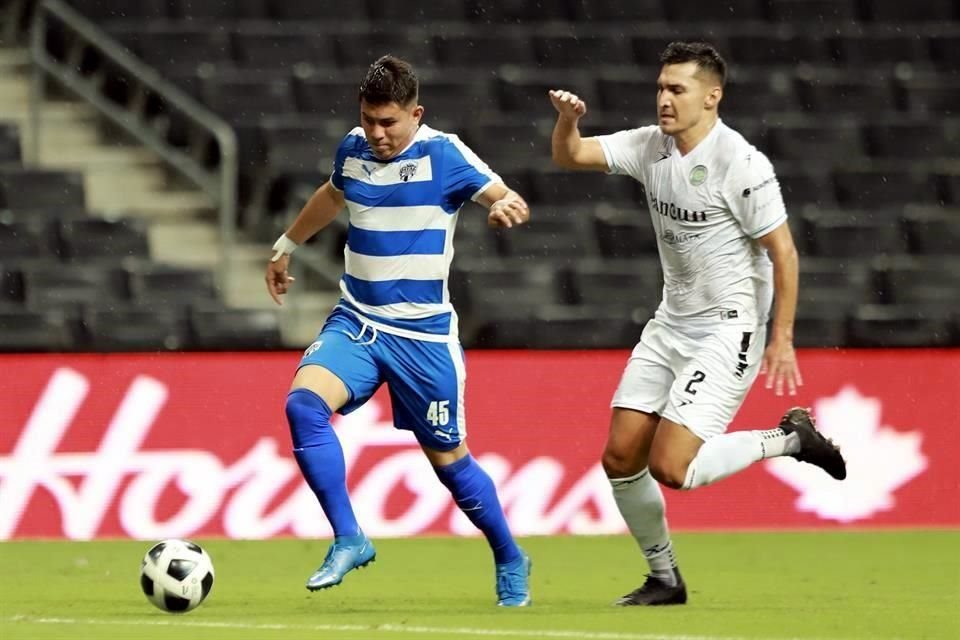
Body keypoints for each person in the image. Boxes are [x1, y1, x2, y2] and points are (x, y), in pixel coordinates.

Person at [548, 41, 846, 606]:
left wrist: (779, 337)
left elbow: (784, 252)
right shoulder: (649, 146)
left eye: (676, 89)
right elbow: (571, 157)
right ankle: (664, 578)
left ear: (712, 97)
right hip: (671, 324)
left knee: (671, 467)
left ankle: (789, 439)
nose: (663, 98)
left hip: (727, 329)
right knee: (619, 458)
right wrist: (568, 123)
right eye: (660, 87)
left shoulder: (742, 163)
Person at [265, 55, 532, 607]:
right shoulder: (353, 149)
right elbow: (332, 194)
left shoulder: (445, 153)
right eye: (369, 119)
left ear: (417, 113)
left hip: (422, 339)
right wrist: (288, 244)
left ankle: (509, 556)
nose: (378, 134)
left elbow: (496, 192)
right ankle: (349, 538)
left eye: (389, 122)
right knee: (302, 407)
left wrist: (506, 204)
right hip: (357, 322)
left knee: (451, 466)